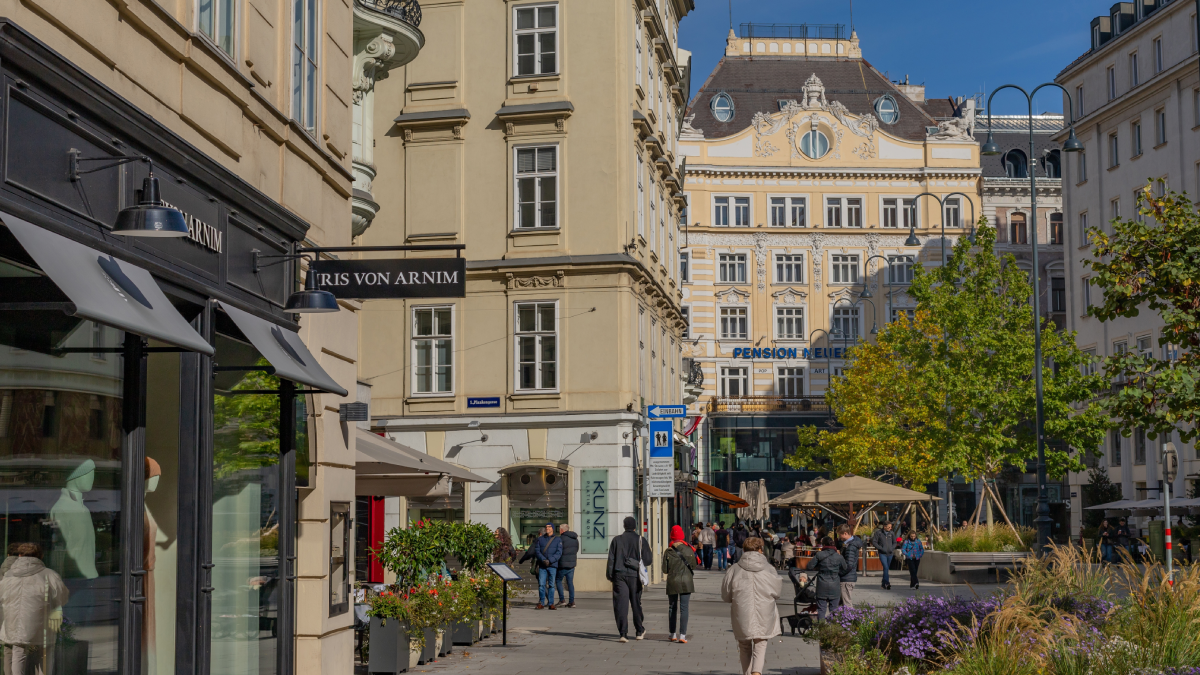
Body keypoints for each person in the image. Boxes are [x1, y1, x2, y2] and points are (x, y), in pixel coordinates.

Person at [0, 542, 69, 675]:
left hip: (14, 624)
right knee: (45, 653)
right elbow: (62, 598)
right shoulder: (49, 575)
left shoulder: (8, 576)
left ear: (19, 555)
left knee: (18, 652)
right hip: (42, 624)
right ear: (40, 556)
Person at [721, 537, 781, 675]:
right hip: (765, 609)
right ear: (760, 550)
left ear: (744, 549)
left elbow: (726, 595)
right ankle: (756, 672)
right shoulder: (769, 569)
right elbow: (777, 592)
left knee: (744, 645)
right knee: (761, 643)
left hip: (742, 610)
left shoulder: (735, 569)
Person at [606, 516, 652, 642]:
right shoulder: (640, 540)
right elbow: (648, 560)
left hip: (619, 575)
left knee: (621, 604)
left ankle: (623, 633)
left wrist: (610, 575)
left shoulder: (616, 540)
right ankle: (639, 630)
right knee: (636, 603)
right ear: (635, 527)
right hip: (635, 575)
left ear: (624, 526)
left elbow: (611, 560)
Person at [663, 525, 697, 643]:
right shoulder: (689, 549)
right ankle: (682, 635)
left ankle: (672, 634)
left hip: (673, 581)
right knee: (684, 608)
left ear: (672, 536)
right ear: (682, 535)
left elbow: (665, 570)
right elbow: (693, 565)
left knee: (672, 607)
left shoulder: (668, 551)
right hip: (686, 582)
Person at [806, 536, 847, 621]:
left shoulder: (819, 555)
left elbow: (809, 566)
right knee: (834, 610)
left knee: (821, 609)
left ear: (823, 545)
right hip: (835, 585)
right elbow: (845, 568)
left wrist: (818, 567)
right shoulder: (838, 556)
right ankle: (832, 630)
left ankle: (821, 629)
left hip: (822, 584)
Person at [533, 523, 562, 610]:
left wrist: (550, 560)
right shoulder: (540, 539)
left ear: (552, 528)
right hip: (542, 565)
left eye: (549, 527)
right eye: (546, 527)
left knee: (551, 585)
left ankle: (551, 603)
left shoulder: (557, 539)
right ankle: (541, 602)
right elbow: (537, 551)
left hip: (552, 565)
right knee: (541, 584)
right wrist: (543, 560)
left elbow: (559, 552)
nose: (547, 528)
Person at [836, 524, 862, 607]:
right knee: (842, 602)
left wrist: (839, 573)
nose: (839, 537)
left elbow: (849, 565)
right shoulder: (849, 544)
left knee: (847, 603)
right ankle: (842, 618)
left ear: (845, 533)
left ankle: (850, 619)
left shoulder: (850, 546)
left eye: (840, 535)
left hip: (847, 578)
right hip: (848, 577)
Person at [870, 521, 898, 590]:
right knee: (885, 567)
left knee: (886, 568)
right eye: (889, 527)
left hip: (890, 553)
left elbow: (895, 542)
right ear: (884, 527)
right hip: (882, 553)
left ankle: (883, 583)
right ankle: (887, 583)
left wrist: (892, 548)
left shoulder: (891, 533)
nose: (890, 528)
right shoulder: (878, 533)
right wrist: (880, 548)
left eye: (890, 527)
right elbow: (874, 542)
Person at [556, 524, 578, 608]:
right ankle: (572, 602)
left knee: (558, 580)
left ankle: (562, 600)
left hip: (562, 564)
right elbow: (576, 550)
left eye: (559, 529)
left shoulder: (560, 539)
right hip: (572, 564)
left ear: (562, 530)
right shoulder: (575, 539)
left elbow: (558, 551)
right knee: (570, 583)